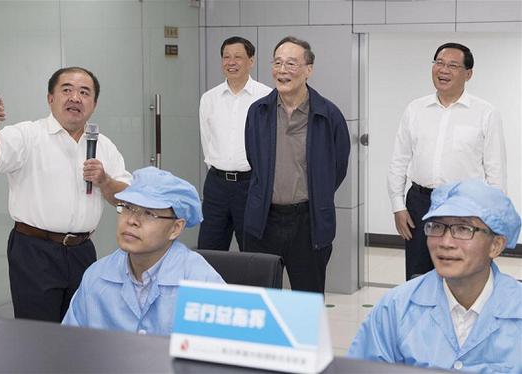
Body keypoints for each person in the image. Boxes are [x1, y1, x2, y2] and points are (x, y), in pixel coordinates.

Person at [0, 67, 132, 322]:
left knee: (80, 328)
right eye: (66, 90)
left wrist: (105, 181)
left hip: (82, 251)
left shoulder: (103, 145)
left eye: (84, 92)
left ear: (94, 103)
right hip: (34, 251)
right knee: (37, 334)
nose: (75, 98)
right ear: (50, 98)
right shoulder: (27, 135)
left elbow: (125, 198)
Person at [348, 179, 522, 372]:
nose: (445, 242)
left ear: (495, 245)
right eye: (437, 227)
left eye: (463, 228)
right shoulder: (395, 308)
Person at [387, 42, 507, 281]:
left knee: (459, 276)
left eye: (453, 65)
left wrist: (492, 219)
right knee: (418, 276)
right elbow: (399, 160)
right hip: (420, 203)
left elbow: (496, 172)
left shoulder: (485, 112)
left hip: (465, 206)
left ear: (468, 74)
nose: (443, 70)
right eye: (439, 63)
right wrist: (398, 206)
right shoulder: (415, 109)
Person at [243, 36, 351, 293]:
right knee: (261, 302)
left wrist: (316, 192)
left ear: (308, 70)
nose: (282, 70)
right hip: (263, 221)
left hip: (308, 222)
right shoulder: (258, 112)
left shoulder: (328, 115)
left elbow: (337, 169)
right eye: (277, 63)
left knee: (307, 301)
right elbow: (253, 159)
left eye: (291, 64)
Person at [62, 167, 224, 335]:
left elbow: (225, 352)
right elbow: (70, 347)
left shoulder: (201, 282)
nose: (132, 220)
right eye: (127, 207)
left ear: (175, 228)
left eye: (149, 213)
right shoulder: (96, 277)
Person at [197, 36, 271, 251]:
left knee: (252, 252)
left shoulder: (266, 97)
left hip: (250, 185)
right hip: (216, 185)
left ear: (251, 61)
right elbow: (206, 140)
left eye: (238, 57)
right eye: (226, 57)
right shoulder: (209, 98)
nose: (231, 62)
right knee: (208, 250)